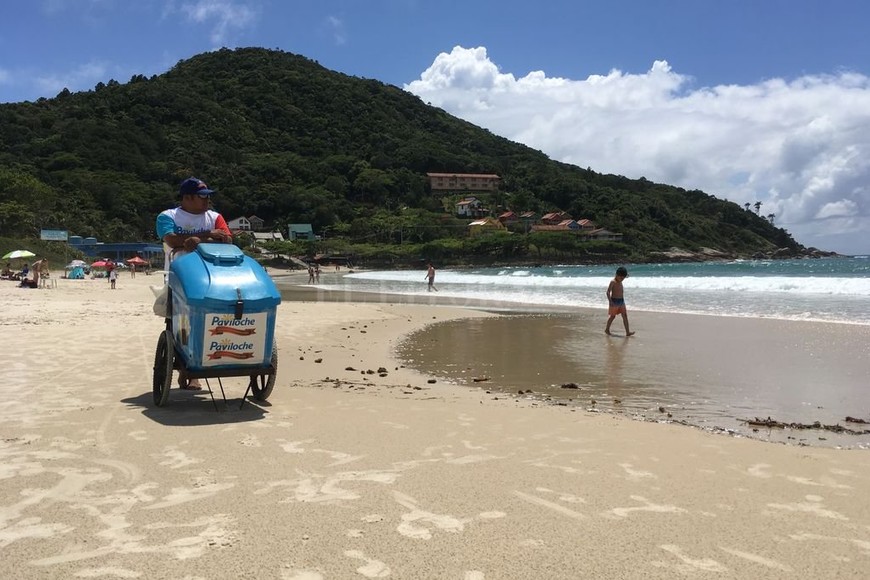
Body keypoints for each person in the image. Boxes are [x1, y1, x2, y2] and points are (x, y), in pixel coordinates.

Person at [155, 177, 232, 390]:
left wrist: (197, 240)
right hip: (180, 276)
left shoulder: (215, 217)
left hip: (213, 275)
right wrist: (207, 236)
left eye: (208, 196)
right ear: (187, 197)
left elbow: (227, 238)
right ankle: (186, 370)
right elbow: (171, 240)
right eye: (202, 196)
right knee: (179, 322)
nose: (207, 200)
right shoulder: (168, 216)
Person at [605, 266, 634, 336]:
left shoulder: (620, 280)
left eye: (623, 278)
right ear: (616, 275)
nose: (622, 279)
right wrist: (610, 301)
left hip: (621, 301)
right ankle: (607, 329)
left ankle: (627, 332)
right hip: (614, 301)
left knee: (625, 315)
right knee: (612, 316)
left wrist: (626, 275)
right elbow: (608, 292)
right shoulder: (613, 282)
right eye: (621, 278)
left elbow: (625, 275)